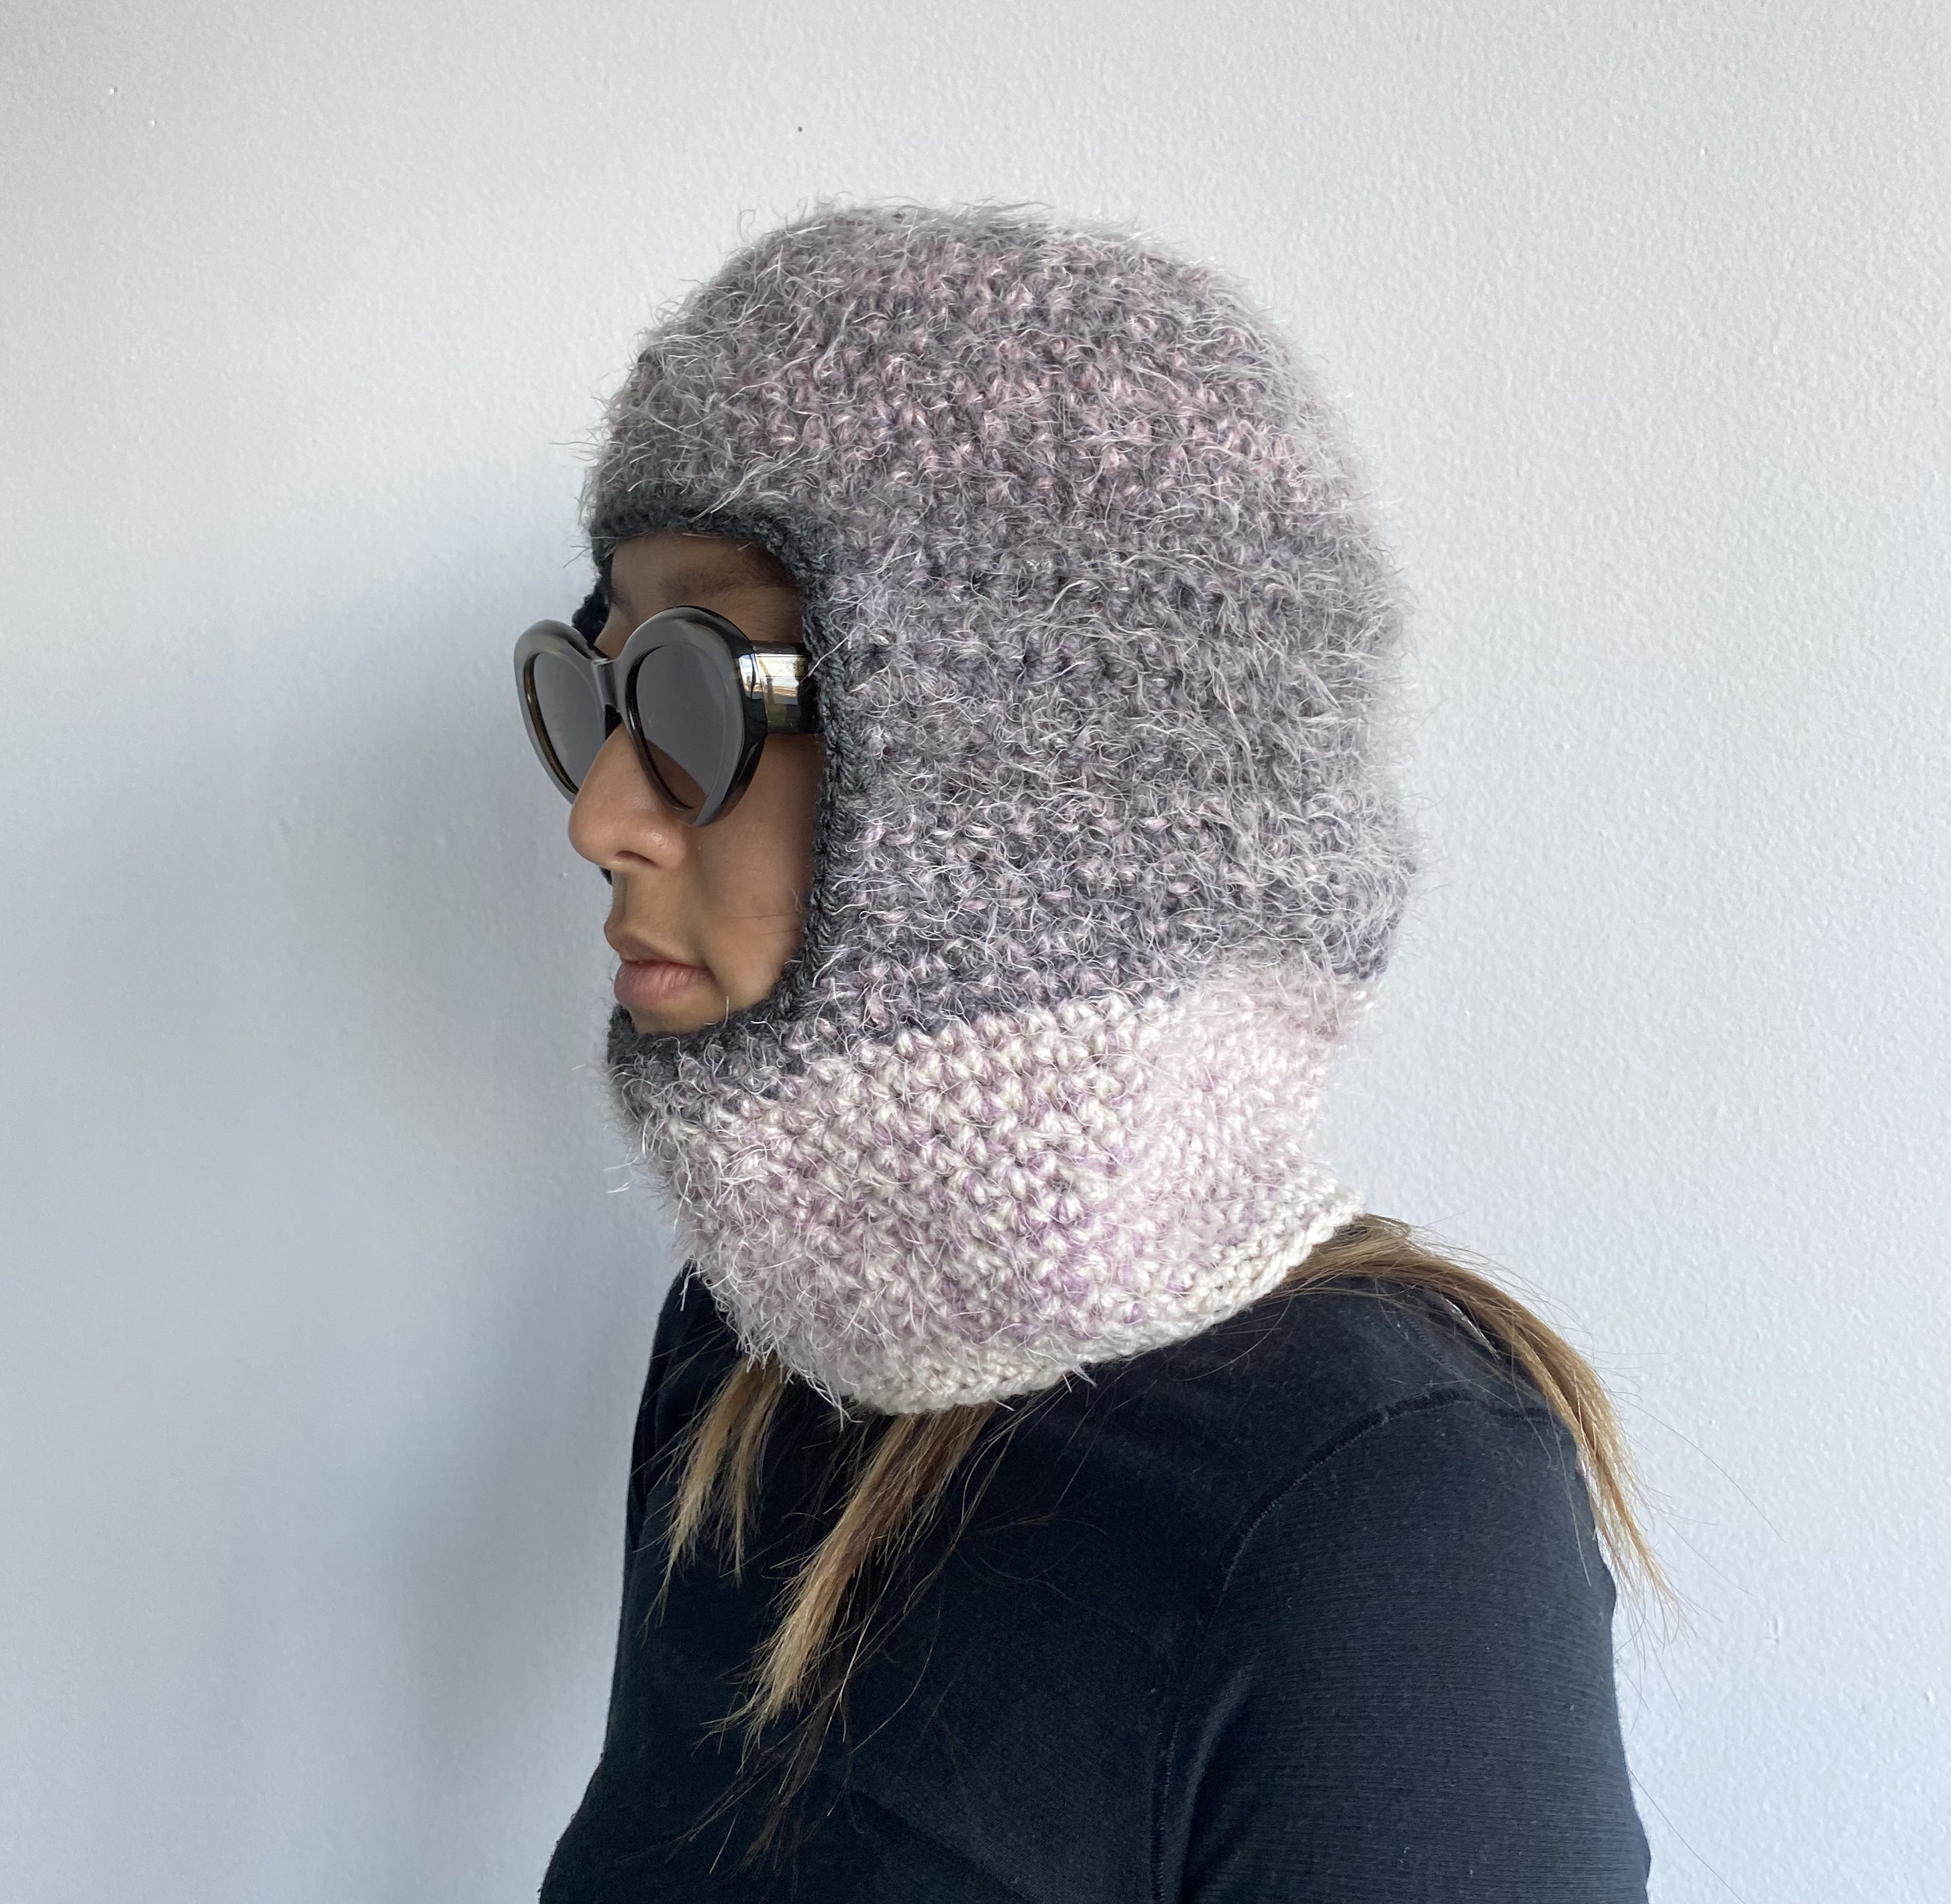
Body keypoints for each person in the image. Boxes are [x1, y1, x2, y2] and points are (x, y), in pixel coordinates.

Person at [514, 205, 1655, 1901]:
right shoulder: (750, 1357)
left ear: (1035, 770)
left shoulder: (1382, 1505)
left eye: (691, 694)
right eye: (597, 692)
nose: (601, 815)